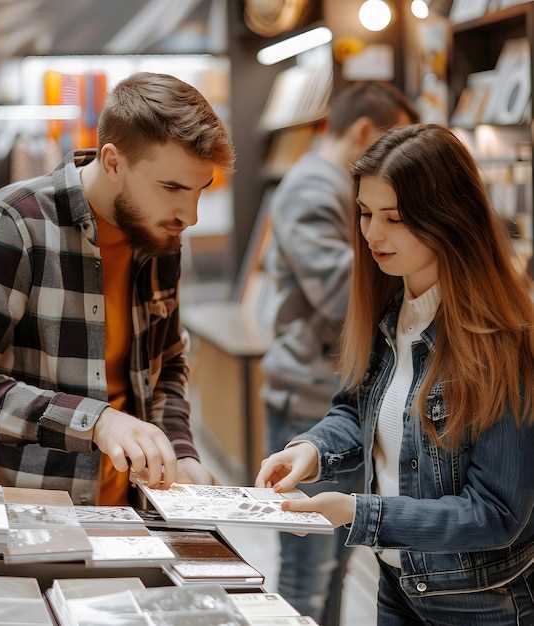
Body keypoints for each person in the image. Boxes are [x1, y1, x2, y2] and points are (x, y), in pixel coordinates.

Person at [257, 124, 534, 625]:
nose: (372, 234)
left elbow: (495, 513)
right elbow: (356, 408)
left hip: (481, 603)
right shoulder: (386, 309)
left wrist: (359, 513)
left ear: (448, 218)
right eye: (364, 213)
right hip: (399, 587)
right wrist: (312, 450)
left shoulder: (503, 342)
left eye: (395, 218)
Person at [0, 72, 234, 505]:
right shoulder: (8, 226)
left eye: (200, 189)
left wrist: (181, 452)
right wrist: (96, 422)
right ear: (112, 161)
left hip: (137, 512)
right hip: (28, 517)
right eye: (172, 188)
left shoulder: (159, 239)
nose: (190, 215)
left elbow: (168, 362)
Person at [261, 82, 418, 620]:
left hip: (328, 390)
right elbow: (338, 295)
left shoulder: (323, 185)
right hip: (311, 395)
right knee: (307, 574)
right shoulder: (312, 188)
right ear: (365, 132)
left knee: (331, 568)